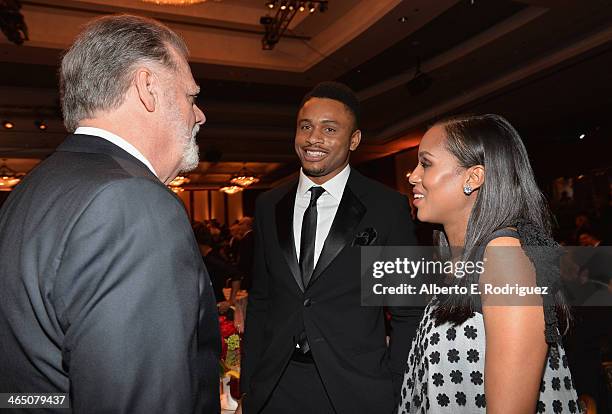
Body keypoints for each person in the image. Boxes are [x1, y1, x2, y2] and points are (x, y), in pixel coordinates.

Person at [0, 15, 220, 413]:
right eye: (191, 96)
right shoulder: (131, 201)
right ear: (148, 87)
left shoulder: (30, 190)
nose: (199, 114)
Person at [238, 81, 420, 414]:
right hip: (276, 386)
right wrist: (249, 390)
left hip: (356, 391)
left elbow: (407, 313)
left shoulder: (385, 207)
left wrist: (397, 392)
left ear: (354, 140)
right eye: (305, 126)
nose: (313, 139)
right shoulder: (269, 204)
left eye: (329, 128)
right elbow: (262, 302)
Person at [400, 114, 578, 413]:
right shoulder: (465, 261)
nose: (412, 176)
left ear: (473, 177)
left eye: (426, 163)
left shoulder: (505, 258)